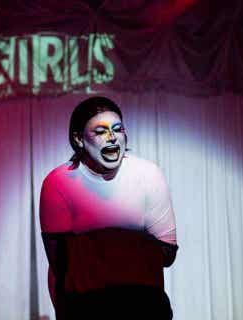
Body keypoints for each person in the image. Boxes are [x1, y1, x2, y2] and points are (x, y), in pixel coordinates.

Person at [39, 96, 178, 319]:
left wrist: (97, 250)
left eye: (117, 129)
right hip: (84, 304)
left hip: (142, 302)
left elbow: (168, 255)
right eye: (101, 131)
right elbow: (59, 264)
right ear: (79, 138)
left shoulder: (148, 175)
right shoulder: (58, 182)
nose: (112, 137)